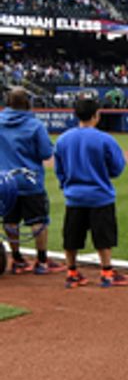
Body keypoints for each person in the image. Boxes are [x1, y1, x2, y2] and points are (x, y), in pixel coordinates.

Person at [53, 97, 128, 288]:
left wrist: (67, 186)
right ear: (96, 115)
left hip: (74, 197)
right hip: (100, 196)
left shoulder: (63, 139)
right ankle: (107, 272)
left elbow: (59, 170)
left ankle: (71, 272)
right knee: (103, 237)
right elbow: (117, 168)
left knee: (71, 237)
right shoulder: (105, 139)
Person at [0, 88, 56, 274]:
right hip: (29, 180)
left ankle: (16, 259)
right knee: (38, 220)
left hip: (5, 181)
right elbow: (46, 153)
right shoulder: (34, 125)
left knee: (10, 220)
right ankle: (41, 261)